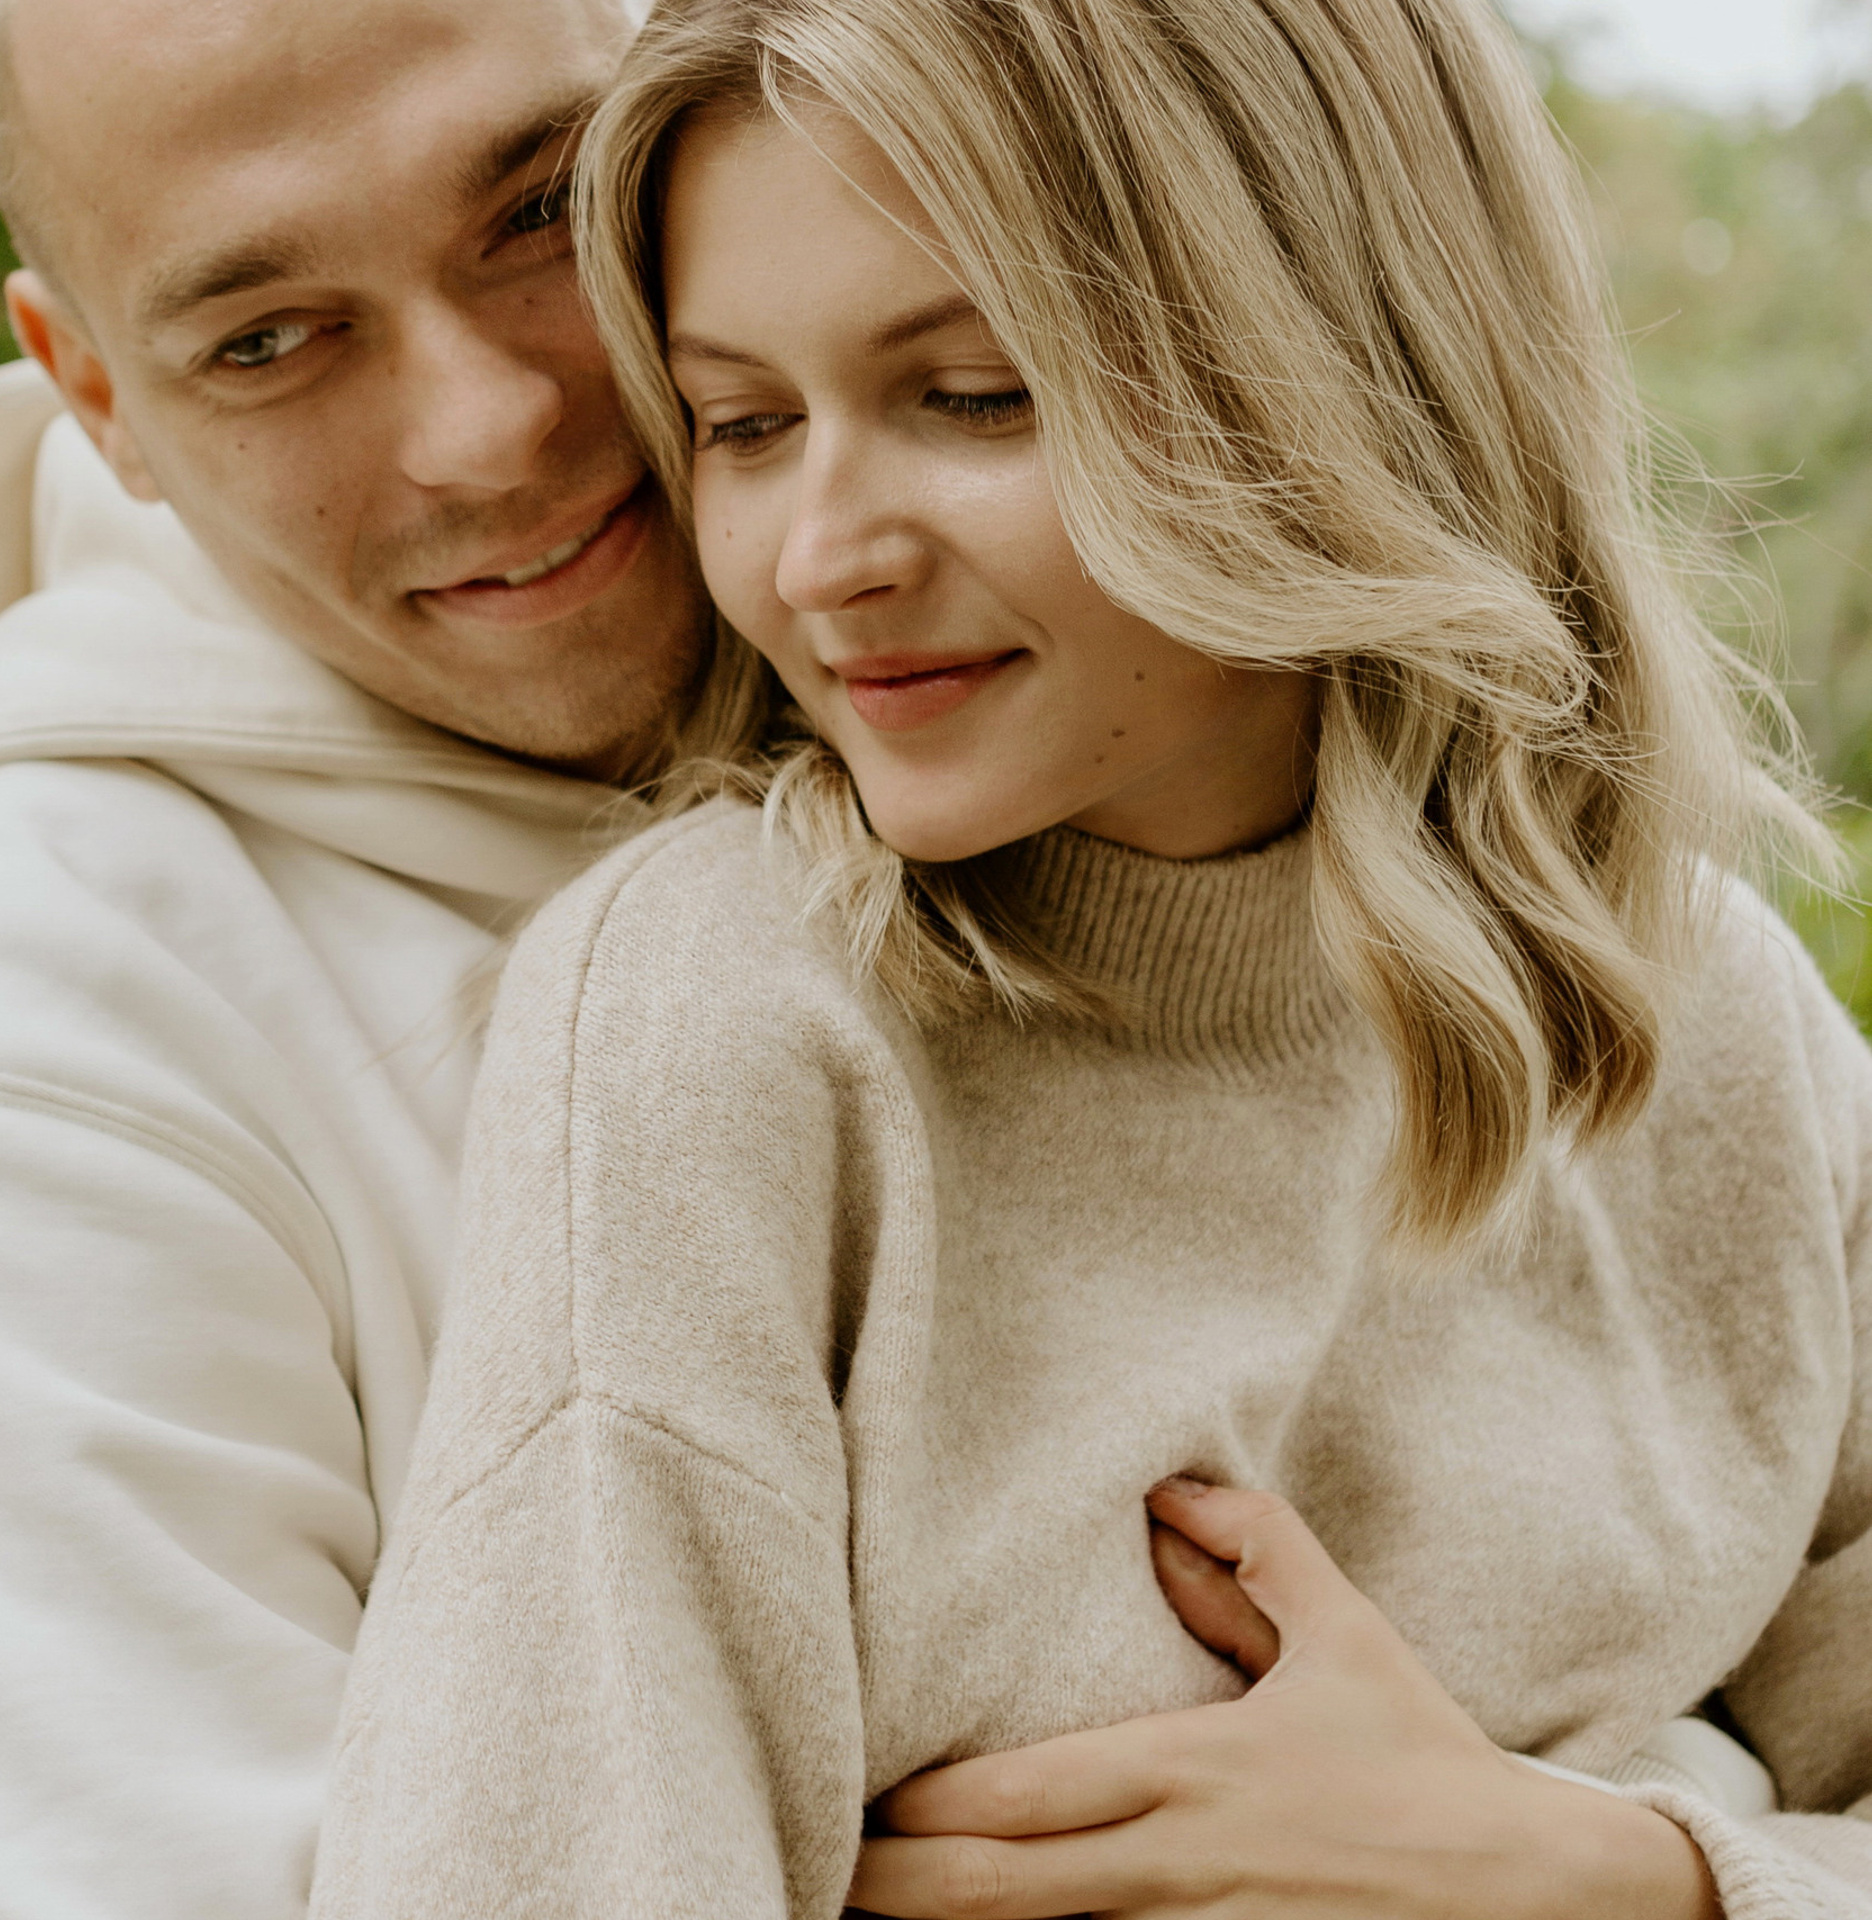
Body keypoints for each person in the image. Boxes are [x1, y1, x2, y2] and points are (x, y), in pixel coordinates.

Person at [310, 0, 1872, 1915]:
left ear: (1333, 371)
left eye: (972, 394)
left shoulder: (1699, 1007)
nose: (821, 557)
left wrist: (1617, 1876)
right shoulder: (714, 1021)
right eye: (743, 425)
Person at [0, 0, 759, 1913]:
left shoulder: (1147, 690)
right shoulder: (34, 1039)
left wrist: (1608, 1863)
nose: (487, 430)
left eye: (546, 209)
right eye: (266, 341)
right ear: (99, 404)